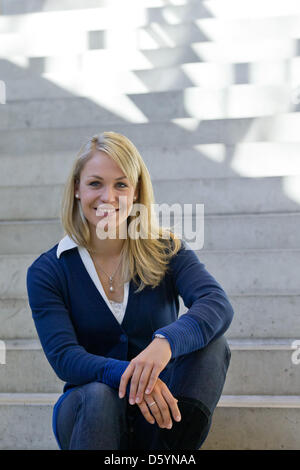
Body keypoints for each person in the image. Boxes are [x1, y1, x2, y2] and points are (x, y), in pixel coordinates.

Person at [26, 131, 233, 450]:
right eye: (96, 183)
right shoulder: (49, 270)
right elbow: (65, 357)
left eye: (121, 184)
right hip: (89, 413)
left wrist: (166, 343)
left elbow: (215, 303)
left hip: (160, 420)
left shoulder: (166, 249)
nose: (108, 196)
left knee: (212, 347)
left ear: (136, 192)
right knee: (97, 392)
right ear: (78, 190)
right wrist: (135, 375)